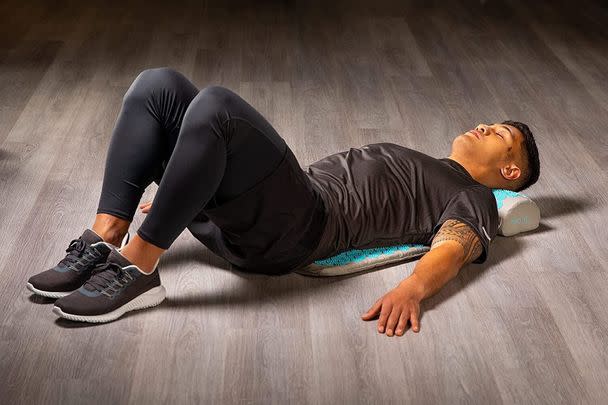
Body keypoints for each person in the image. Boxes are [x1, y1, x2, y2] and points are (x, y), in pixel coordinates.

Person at [26, 67, 540, 330]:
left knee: (219, 104)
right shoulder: (428, 164)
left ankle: (140, 268)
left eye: (496, 132)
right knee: (157, 85)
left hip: (299, 229)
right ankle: (104, 237)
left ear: (510, 169)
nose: (481, 126)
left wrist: (413, 291)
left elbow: (454, 247)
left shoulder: (471, 197)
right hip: (262, 211)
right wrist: (187, 189)